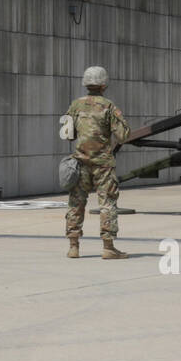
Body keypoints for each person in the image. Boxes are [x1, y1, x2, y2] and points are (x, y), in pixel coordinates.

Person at [61, 66, 133, 259]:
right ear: (103, 84)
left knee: (76, 203)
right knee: (107, 203)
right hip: (103, 164)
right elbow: (123, 135)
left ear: (86, 83)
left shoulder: (75, 106)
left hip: (80, 162)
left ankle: (73, 247)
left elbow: (67, 135)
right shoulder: (108, 106)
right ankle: (108, 248)